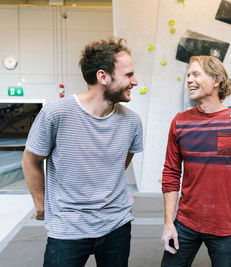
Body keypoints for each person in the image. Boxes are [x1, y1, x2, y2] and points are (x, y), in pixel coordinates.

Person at [22, 37, 143, 267]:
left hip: (116, 224)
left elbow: (119, 164)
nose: (135, 81)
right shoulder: (56, 114)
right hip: (67, 227)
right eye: (128, 75)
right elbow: (31, 159)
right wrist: (40, 203)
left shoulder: (132, 122)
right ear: (103, 77)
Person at [160, 55, 231, 267]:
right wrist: (169, 223)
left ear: (216, 80)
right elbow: (170, 172)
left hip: (226, 228)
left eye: (196, 74)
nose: (188, 80)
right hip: (185, 223)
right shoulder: (179, 122)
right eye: (187, 75)